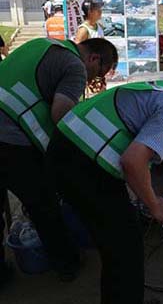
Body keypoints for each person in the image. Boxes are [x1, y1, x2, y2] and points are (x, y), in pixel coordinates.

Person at [46, 75, 163, 303]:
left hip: (70, 148)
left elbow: (146, 118)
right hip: (81, 163)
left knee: (119, 244)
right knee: (125, 248)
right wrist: (155, 205)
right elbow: (132, 162)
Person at [0, 37, 118, 287]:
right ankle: (67, 264)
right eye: (97, 74)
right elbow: (61, 114)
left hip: (6, 132)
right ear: (93, 58)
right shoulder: (74, 65)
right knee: (44, 204)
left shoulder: (41, 44)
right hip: (10, 142)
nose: (91, 81)